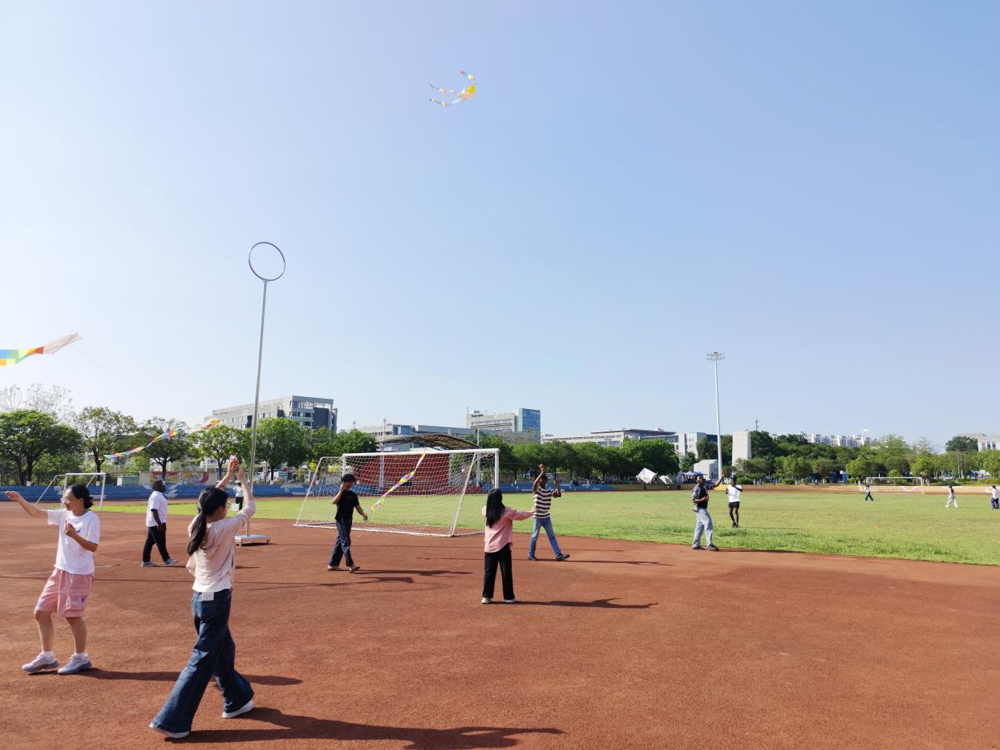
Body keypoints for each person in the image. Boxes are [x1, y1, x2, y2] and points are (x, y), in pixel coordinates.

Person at [150, 458, 256, 739]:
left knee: (224, 650)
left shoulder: (197, 524)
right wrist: (243, 480)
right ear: (220, 509)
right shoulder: (223, 528)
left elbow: (206, 502)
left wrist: (227, 476)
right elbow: (250, 508)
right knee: (201, 660)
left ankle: (237, 699)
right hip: (216, 600)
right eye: (224, 505)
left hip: (199, 599)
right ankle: (173, 720)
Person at [5, 485, 100, 675]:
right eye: (64, 499)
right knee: (40, 612)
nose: (64, 502)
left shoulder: (91, 519)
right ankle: (47, 656)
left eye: (68, 498)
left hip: (78, 574)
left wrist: (74, 535)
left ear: (80, 500)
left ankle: (81, 658)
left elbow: (93, 547)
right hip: (60, 571)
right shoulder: (64, 514)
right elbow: (37, 513)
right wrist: (20, 499)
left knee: (73, 616)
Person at [482, 488, 534, 604]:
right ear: (500, 499)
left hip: (489, 546)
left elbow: (486, 509)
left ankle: (486, 596)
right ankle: (508, 597)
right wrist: (532, 511)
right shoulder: (506, 511)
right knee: (506, 572)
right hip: (502, 545)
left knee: (489, 572)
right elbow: (520, 515)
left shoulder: (485, 510)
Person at [327, 473, 368, 573]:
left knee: (340, 541)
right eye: (349, 482)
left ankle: (332, 564)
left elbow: (357, 506)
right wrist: (341, 490)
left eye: (352, 482)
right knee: (346, 541)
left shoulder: (353, 495)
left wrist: (363, 514)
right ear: (344, 482)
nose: (351, 484)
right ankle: (350, 564)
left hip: (349, 520)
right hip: (341, 520)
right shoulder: (340, 493)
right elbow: (334, 502)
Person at [528, 464, 569, 562]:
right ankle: (531, 555)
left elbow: (558, 495)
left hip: (546, 517)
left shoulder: (548, 490)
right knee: (534, 537)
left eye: (542, 480)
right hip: (537, 517)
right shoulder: (537, 490)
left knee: (552, 536)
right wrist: (542, 472)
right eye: (539, 480)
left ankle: (558, 554)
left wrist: (558, 486)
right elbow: (534, 484)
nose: (540, 481)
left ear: (545, 481)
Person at [142, 480, 177, 568]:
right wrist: (159, 523)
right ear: (157, 486)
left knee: (150, 541)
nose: (164, 487)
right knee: (161, 541)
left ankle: (146, 561)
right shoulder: (156, 496)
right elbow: (154, 510)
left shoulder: (158, 495)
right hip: (157, 522)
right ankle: (166, 559)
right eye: (162, 485)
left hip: (155, 522)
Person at [691, 474, 722, 551]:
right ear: (696, 480)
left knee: (699, 527)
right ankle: (709, 544)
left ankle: (696, 545)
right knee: (708, 523)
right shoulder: (696, 489)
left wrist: (722, 476)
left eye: (701, 477)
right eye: (699, 478)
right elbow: (693, 500)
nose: (701, 478)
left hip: (702, 509)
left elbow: (715, 485)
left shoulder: (704, 486)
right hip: (700, 509)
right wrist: (702, 500)